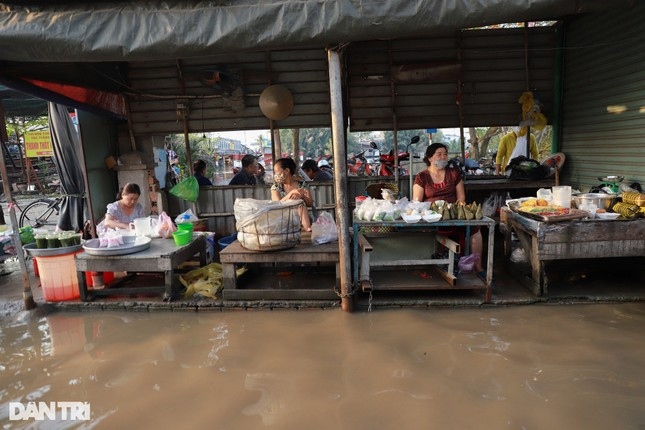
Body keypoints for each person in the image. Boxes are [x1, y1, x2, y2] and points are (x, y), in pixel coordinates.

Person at [412, 143, 484, 275]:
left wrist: (455, 211)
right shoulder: (422, 177)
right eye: (439, 154)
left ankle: (477, 267)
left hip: (453, 215)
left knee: (475, 230)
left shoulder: (454, 174)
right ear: (430, 158)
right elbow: (417, 202)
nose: (443, 157)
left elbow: (461, 198)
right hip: (431, 217)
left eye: (445, 154)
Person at [271, 157, 314, 231]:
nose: (275, 175)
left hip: (300, 217)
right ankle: (308, 229)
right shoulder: (275, 187)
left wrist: (302, 196)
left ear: (287, 171)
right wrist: (291, 193)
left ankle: (308, 230)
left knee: (300, 204)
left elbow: (310, 203)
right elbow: (277, 205)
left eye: (277, 171)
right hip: (283, 218)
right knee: (298, 203)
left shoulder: (302, 184)